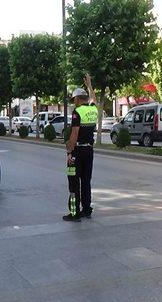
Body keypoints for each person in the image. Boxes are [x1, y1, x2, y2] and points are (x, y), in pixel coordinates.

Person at [63, 74, 98, 222]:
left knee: (73, 183)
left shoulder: (77, 113)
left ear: (78, 99)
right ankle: (87, 210)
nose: (74, 102)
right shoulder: (92, 110)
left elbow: (74, 133)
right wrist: (90, 85)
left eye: (74, 99)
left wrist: (69, 152)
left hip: (77, 151)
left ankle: (74, 213)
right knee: (86, 181)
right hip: (89, 151)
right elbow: (94, 99)